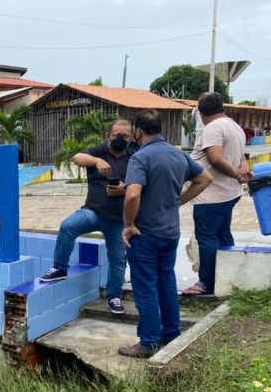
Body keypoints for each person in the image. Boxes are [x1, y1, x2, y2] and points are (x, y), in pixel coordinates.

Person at [118, 109, 213, 358]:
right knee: (167, 284)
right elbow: (205, 179)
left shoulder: (141, 158)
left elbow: (133, 195)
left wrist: (129, 225)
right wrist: (179, 201)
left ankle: (148, 342)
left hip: (145, 234)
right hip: (170, 233)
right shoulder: (178, 155)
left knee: (146, 288)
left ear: (137, 131)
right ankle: (172, 335)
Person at [39, 120, 134, 314]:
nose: (120, 139)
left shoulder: (136, 158)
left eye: (125, 136)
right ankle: (60, 268)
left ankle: (114, 296)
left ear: (131, 138)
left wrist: (125, 188)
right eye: (116, 135)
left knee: (117, 259)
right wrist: (97, 161)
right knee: (68, 226)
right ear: (108, 136)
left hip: (118, 219)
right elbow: (77, 157)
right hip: (93, 212)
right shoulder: (98, 151)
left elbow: (144, 185)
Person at [183, 92, 253, 297]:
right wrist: (240, 172)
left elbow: (215, 159)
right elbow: (241, 158)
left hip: (211, 194)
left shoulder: (213, 128)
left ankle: (206, 282)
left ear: (202, 113)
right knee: (222, 235)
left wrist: (237, 175)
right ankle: (227, 276)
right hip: (229, 193)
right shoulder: (234, 126)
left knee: (206, 237)